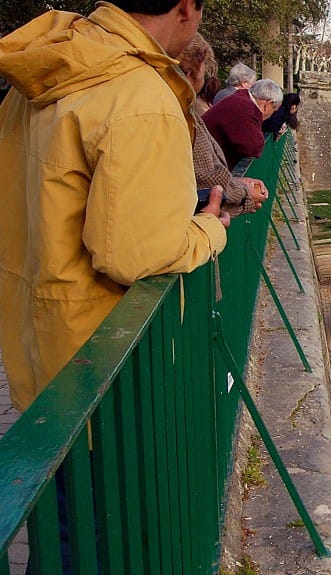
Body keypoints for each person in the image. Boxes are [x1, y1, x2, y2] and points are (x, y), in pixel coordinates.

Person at [0, 0, 230, 414]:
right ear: (185, 10)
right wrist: (210, 229)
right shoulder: (140, 98)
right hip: (102, 380)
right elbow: (137, 255)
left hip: (36, 358)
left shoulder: (43, 70)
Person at [178, 33, 269, 216]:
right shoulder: (179, 111)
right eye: (203, 72)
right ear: (189, 75)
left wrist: (236, 183)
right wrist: (245, 193)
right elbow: (208, 178)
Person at [203, 78, 282, 170]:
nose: (271, 115)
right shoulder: (246, 109)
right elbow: (254, 148)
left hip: (207, 156)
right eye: (273, 111)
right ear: (267, 104)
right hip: (207, 164)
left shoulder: (241, 99)